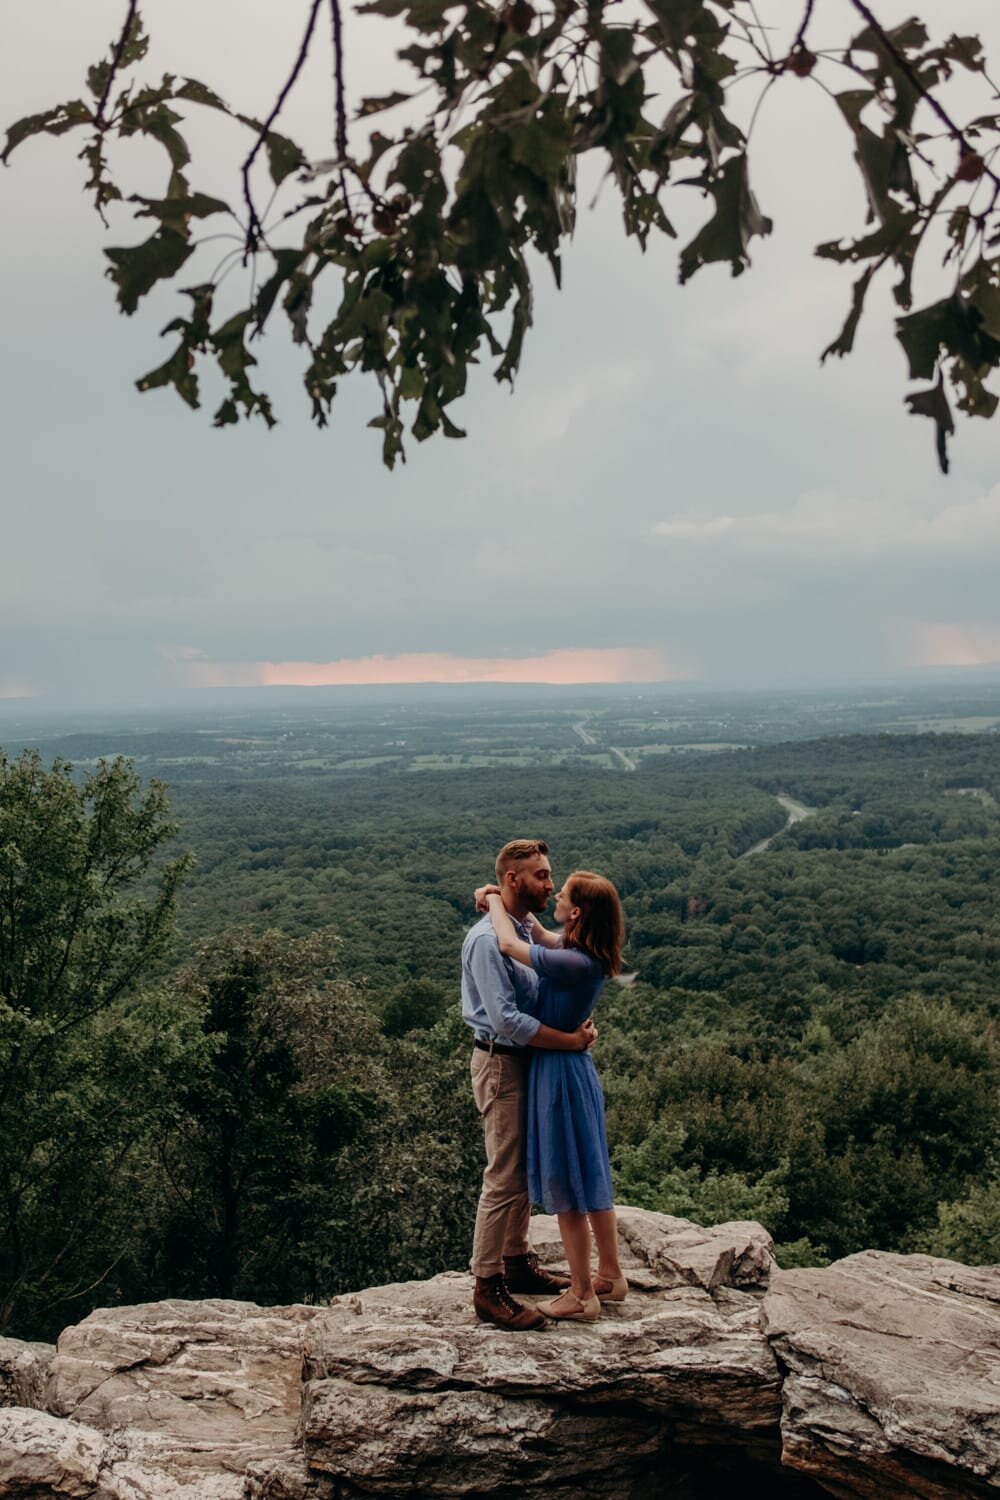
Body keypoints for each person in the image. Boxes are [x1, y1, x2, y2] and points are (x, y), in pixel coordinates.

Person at [462, 838, 597, 1332]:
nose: (550, 884)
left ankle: (516, 1262)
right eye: (541, 875)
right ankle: (486, 1285)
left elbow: (555, 953)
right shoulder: (485, 941)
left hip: (526, 1062)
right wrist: (569, 1042)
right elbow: (508, 1019)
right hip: (501, 1062)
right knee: (503, 1173)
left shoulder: (520, 927)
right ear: (514, 879)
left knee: (522, 1168)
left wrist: (495, 899)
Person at [481, 870, 627, 1322]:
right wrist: (499, 897)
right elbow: (539, 932)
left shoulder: (574, 962)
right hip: (574, 1069)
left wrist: (494, 904)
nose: (555, 896)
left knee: (567, 1180)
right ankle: (611, 1274)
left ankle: (582, 1295)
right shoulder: (582, 952)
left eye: (561, 894)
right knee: (592, 1172)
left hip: (559, 1072)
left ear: (577, 912)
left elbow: (510, 944)